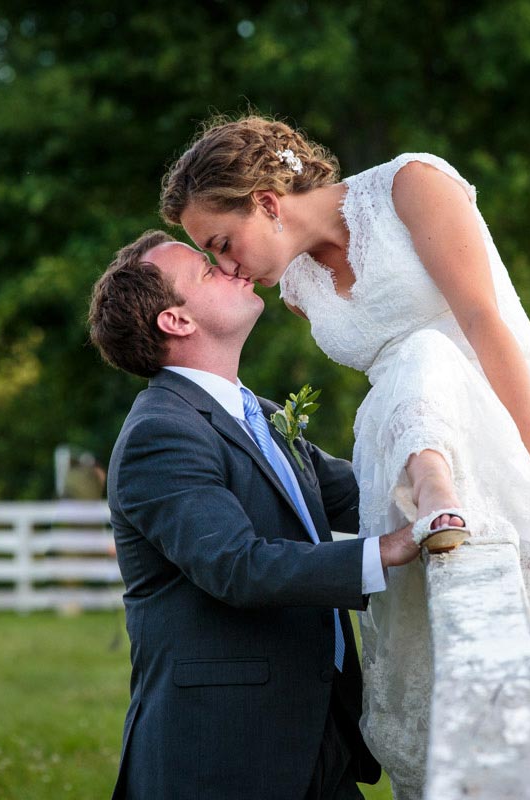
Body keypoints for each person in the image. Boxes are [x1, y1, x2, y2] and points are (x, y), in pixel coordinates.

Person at [159, 116, 530, 799]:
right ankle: (433, 489)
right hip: (412, 437)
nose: (227, 267)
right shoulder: (297, 289)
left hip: (515, 408)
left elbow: (479, 317)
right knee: (407, 366)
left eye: (222, 244)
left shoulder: (412, 185)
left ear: (265, 201)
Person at [88, 230, 421, 800]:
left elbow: (367, 489)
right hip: (225, 753)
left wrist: (456, 467)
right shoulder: (160, 434)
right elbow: (237, 567)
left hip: (320, 733)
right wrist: (387, 550)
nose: (233, 268)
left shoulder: (260, 415)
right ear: (177, 322)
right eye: (205, 270)